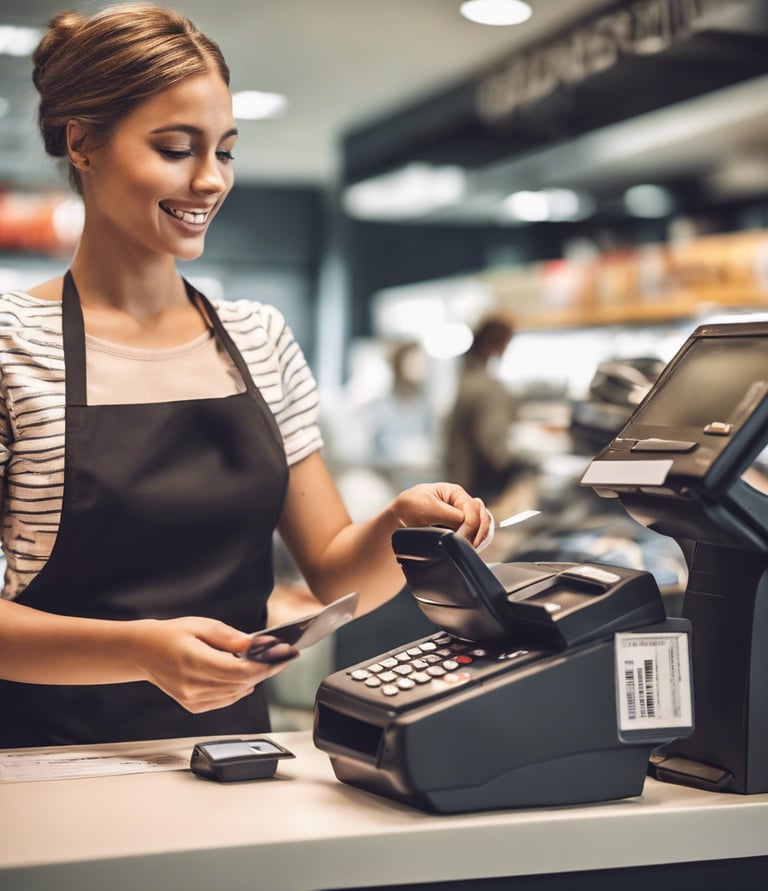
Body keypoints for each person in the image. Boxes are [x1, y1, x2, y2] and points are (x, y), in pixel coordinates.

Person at [0, 3, 490, 748]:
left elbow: (332, 572)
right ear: (83, 144)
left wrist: (398, 523)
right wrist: (138, 649)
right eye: (174, 148)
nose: (209, 181)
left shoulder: (258, 338)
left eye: (224, 151)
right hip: (46, 762)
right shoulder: (11, 346)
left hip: (233, 755)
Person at [444, 315, 534, 509]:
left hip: (461, 484)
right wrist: (529, 464)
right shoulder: (486, 387)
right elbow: (495, 452)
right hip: (479, 492)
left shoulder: (467, 378)